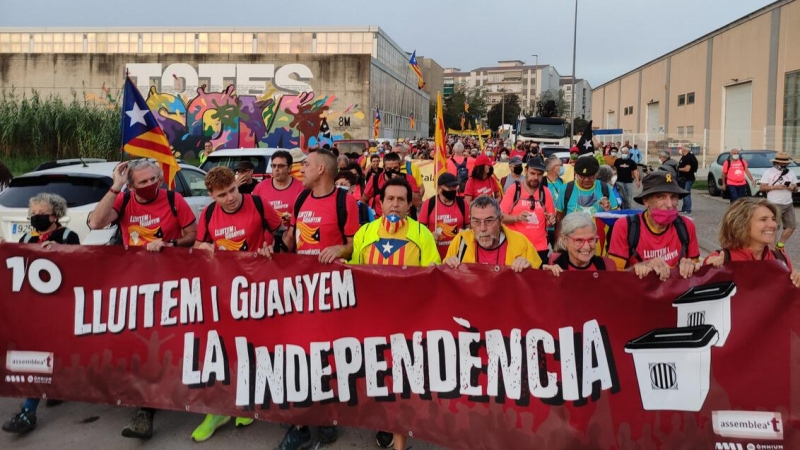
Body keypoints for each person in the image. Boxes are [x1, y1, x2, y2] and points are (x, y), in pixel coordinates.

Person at [87, 160, 197, 439]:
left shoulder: (175, 200)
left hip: (172, 286)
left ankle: (163, 398)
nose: (150, 185)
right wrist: (115, 186)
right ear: (132, 184)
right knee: (141, 344)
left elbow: (191, 235)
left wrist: (170, 245)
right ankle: (144, 411)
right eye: (143, 182)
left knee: (166, 342)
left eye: (153, 180)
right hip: (135, 286)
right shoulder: (123, 200)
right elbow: (96, 222)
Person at [349, 177, 440, 450]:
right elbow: (354, 273)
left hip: (408, 322)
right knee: (377, 376)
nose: (395, 204)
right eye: (390, 199)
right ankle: (383, 422)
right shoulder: (365, 232)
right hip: (372, 321)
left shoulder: (422, 234)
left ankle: (400, 426)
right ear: (380, 202)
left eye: (401, 200)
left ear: (409, 205)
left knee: (401, 378)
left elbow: (434, 277)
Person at [278, 149, 360, 449]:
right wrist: (274, 246)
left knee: (327, 357)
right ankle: (300, 426)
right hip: (302, 291)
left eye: (306, 165)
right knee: (302, 354)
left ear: (322, 170)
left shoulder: (344, 202)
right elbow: (291, 242)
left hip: (333, 293)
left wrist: (339, 251)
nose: (301, 169)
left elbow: (354, 245)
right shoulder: (300, 200)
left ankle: (326, 418)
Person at [191, 166, 280, 441]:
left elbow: (283, 233)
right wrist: (209, 249)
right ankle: (217, 409)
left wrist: (271, 247)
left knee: (252, 347)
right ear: (211, 195)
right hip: (224, 291)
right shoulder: (208, 213)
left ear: (237, 184)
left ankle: (247, 402)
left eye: (232, 190)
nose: (230, 198)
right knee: (221, 347)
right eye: (222, 194)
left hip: (259, 288)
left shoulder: (256, 203)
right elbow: (197, 246)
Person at [1, 193, 78, 435]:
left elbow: (82, 265)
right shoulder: (26, 237)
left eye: (41, 214)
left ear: (55, 215)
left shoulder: (67, 236)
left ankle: (41, 399)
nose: (35, 218)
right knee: (38, 356)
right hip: (35, 309)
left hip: (60, 307)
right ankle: (30, 409)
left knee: (52, 353)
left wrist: (59, 252)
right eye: (32, 214)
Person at [607, 171, 701, 281]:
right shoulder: (625, 227)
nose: (669, 205)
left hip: (676, 294)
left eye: (674, 197)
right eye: (661, 197)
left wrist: (691, 266)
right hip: (639, 294)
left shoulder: (686, 226)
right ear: (646, 201)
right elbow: (613, 277)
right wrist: (638, 268)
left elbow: (696, 273)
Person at [704, 197, 800, 287]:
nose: (773, 225)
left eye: (773, 219)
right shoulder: (721, 259)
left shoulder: (780, 259)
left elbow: (788, 300)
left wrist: (796, 283)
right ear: (741, 224)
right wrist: (708, 270)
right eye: (763, 219)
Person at [444, 196, 541, 271]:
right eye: (476, 221)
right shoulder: (461, 241)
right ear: (470, 221)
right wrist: (447, 266)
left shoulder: (521, 243)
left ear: (500, 220)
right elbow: (446, 280)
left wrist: (529, 267)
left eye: (489, 221)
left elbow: (539, 279)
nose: (482, 228)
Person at [500, 157, 555, 263]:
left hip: (539, 249)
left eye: (539, 174)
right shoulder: (514, 189)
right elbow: (501, 217)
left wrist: (550, 221)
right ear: (526, 171)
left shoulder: (546, 192)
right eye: (532, 173)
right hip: (516, 248)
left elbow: (549, 222)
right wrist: (517, 218)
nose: (535, 177)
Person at [253, 150, 305, 253]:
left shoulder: (302, 188)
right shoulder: (260, 187)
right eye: (274, 166)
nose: (276, 169)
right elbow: (253, 213)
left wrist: (293, 217)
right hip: (267, 247)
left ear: (289, 168)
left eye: (281, 166)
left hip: (293, 245)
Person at [554, 156, 618, 237]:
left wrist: (608, 210)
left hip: (598, 241)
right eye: (582, 176)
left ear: (596, 174)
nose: (586, 180)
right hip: (572, 241)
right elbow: (559, 218)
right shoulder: (566, 189)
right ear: (576, 174)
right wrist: (558, 243)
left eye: (590, 176)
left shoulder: (604, 188)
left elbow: (615, 217)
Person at [542, 212, 617, 275]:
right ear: (565, 240)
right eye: (579, 240)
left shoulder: (607, 266)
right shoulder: (550, 264)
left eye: (591, 239)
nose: (587, 247)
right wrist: (545, 277)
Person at [419, 172, 469, 260]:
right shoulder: (429, 204)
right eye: (449, 187)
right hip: (435, 256)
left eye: (455, 187)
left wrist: (465, 234)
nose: (453, 190)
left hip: (457, 257)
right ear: (439, 188)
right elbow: (420, 230)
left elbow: (470, 228)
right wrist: (429, 237)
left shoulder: (462, 204)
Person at [757, 151, 797, 248]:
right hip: (774, 204)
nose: (783, 165)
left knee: (791, 226)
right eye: (781, 163)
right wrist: (775, 187)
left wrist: (792, 188)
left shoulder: (791, 172)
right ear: (776, 162)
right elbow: (762, 187)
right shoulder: (769, 172)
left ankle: (780, 244)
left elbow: (795, 187)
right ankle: (771, 250)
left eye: (785, 163)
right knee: (773, 227)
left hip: (788, 203)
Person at [362, 152, 419, 217]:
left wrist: (403, 183)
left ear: (399, 166)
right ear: (384, 167)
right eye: (389, 169)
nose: (392, 171)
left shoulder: (408, 178)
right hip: (380, 221)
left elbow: (418, 202)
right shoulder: (375, 180)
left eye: (395, 168)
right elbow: (363, 200)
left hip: (403, 221)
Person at [544, 155, 565, 247]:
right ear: (554, 168)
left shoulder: (563, 183)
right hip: (545, 228)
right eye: (561, 165)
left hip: (559, 228)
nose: (563, 167)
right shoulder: (541, 183)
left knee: (559, 254)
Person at [677, 144, 698, 214]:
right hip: (684, 178)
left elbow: (687, 169)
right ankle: (684, 208)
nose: (680, 150)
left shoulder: (689, 158)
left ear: (685, 150)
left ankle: (688, 209)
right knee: (684, 193)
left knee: (686, 193)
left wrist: (678, 169)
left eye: (681, 148)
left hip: (688, 178)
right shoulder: (684, 157)